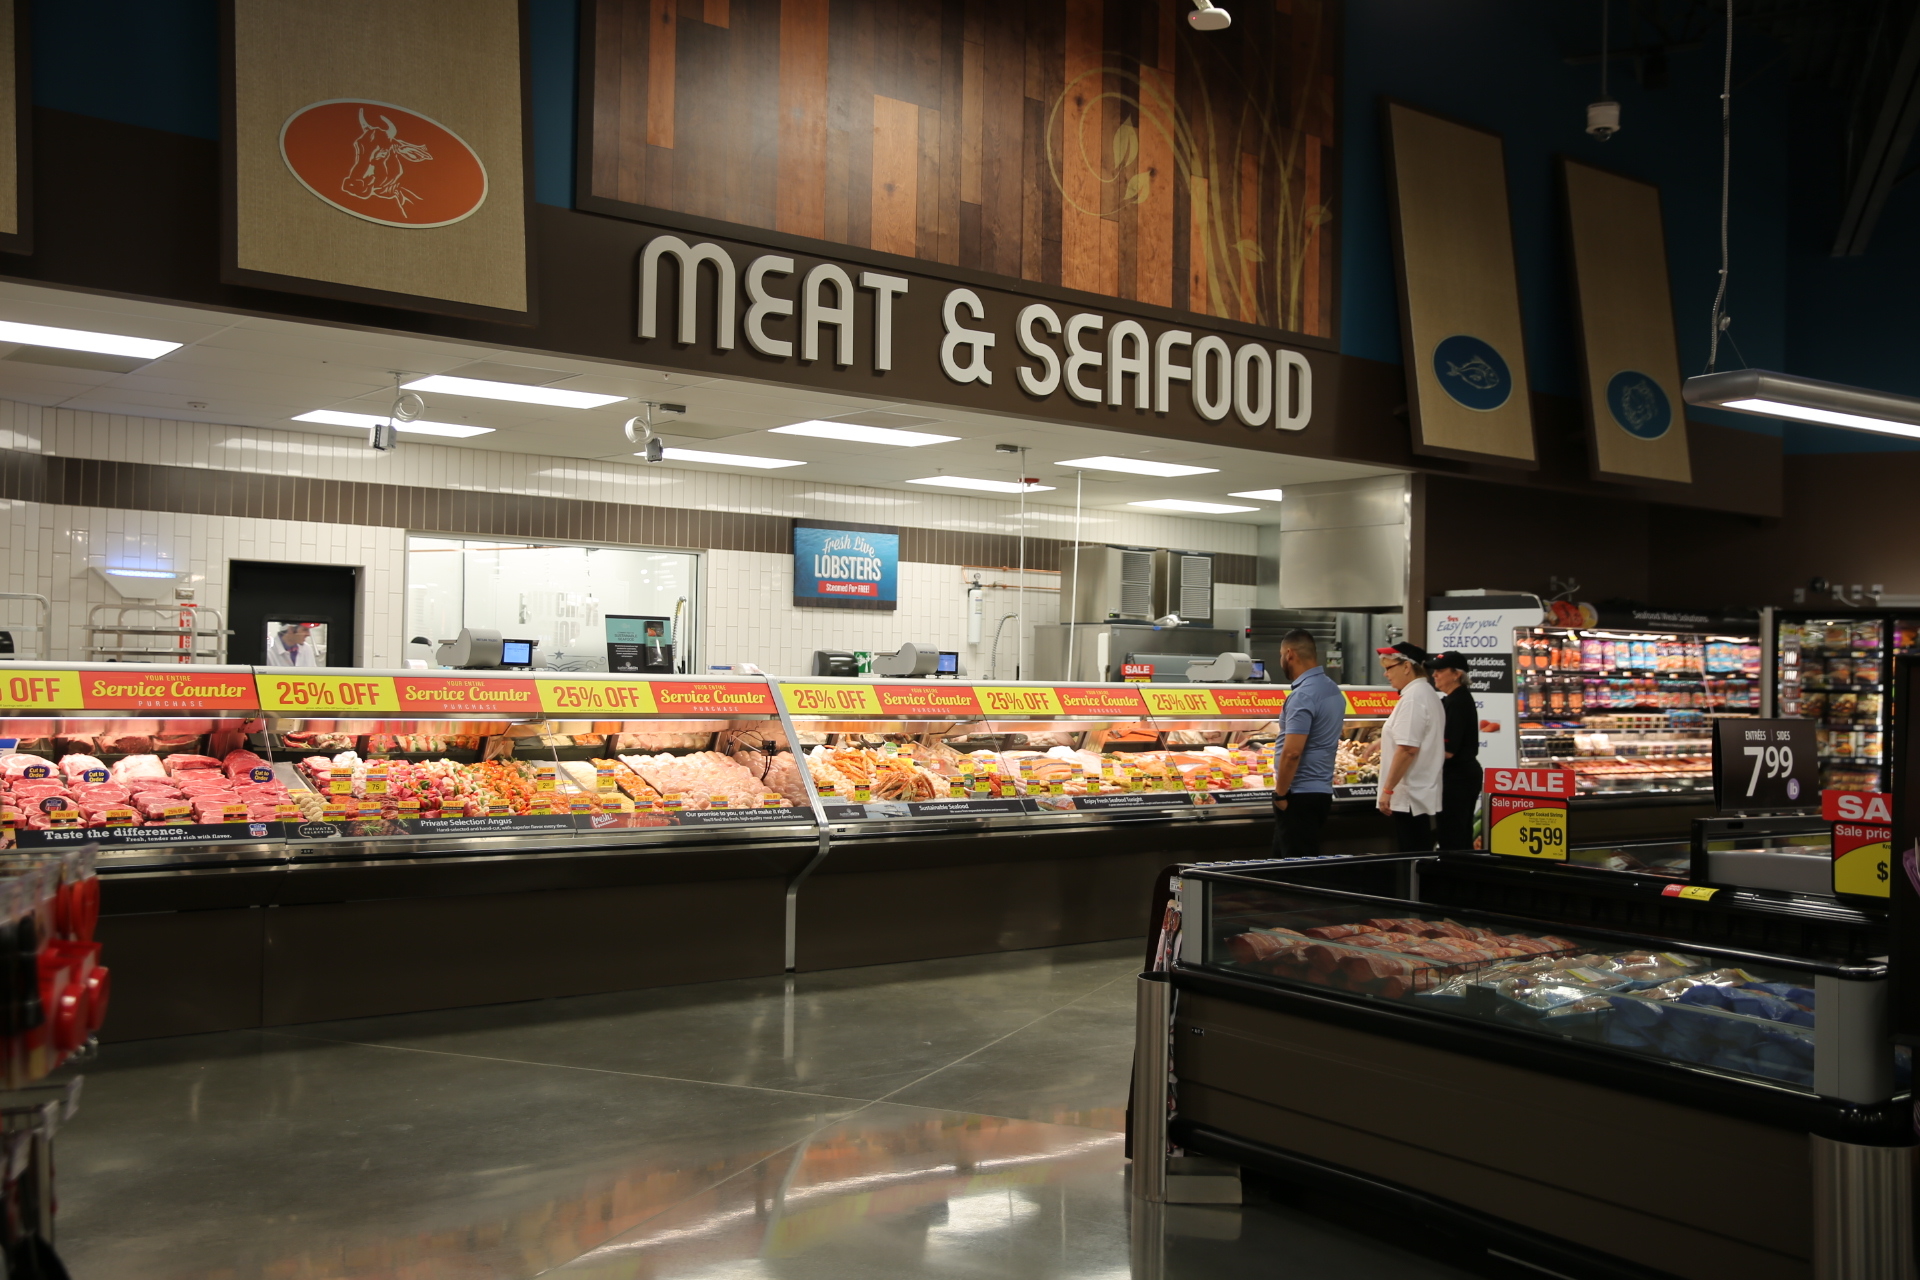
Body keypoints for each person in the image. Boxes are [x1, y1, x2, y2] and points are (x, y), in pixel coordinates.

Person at [1270, 629, 1344, 858]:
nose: (1281, 660)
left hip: (1298, 795)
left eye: (1281, 654)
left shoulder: (1303, 695)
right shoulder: (1332, 689)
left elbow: (1292, 752)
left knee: (1294, 868)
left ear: (1290, 654)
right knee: (1295, 861)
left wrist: (1280, 794)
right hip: (1321, 793)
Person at [1375, 642, 1445, 851]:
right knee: (1419, 852)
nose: (1386, 674)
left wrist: (1387, 789)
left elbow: (1407, 750)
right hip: (1418, 794)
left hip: (1409, 797)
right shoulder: (1424, 693)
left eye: (1389, 668)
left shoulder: (1414, 698)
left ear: (1406, 666)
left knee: (1412, 855)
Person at [1428, 651, 1483, 850]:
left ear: (1457, 674)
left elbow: (1448, 751)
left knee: (1453, 835)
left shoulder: (1457, 702)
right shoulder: (1453, 699)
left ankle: (1457, 868)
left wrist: (1415, 755)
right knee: (1458, 833)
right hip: (1460, 776)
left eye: (1440, 670)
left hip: (1458, 779)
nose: (1434, 674)